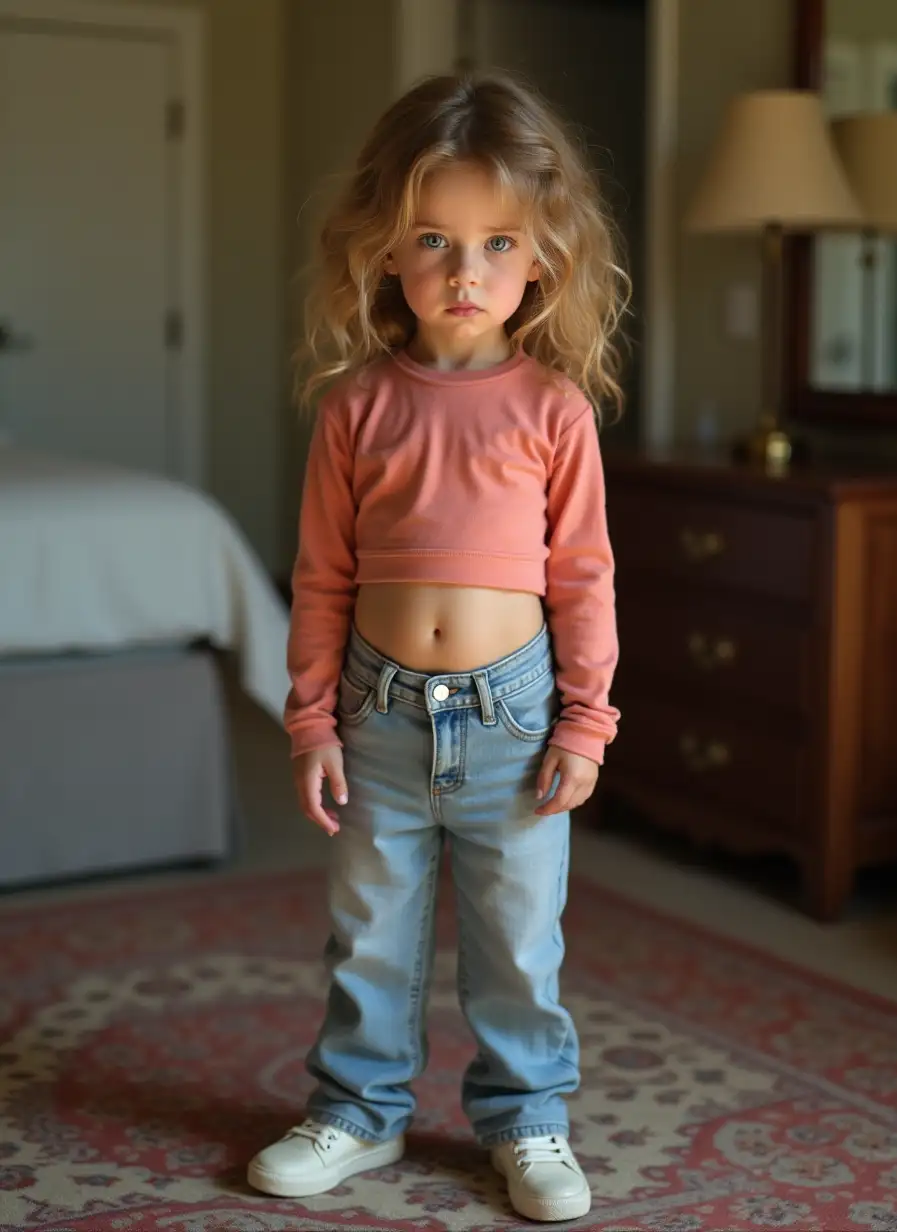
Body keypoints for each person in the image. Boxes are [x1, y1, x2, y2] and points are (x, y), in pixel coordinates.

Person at [247, 70, 627, 1224]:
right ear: (384, 251)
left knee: (517, 936)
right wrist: (311, 716)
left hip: (514, 713)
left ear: (541, 257)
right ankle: (357, 1110)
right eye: (433, 239)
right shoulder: (357, 405)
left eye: (496, 241)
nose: (465, 273)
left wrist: (587, 720)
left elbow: (583, 576)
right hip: (378, 710)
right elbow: (320, 576)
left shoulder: (553, 408)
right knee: (369, 927)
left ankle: (526, 1119)